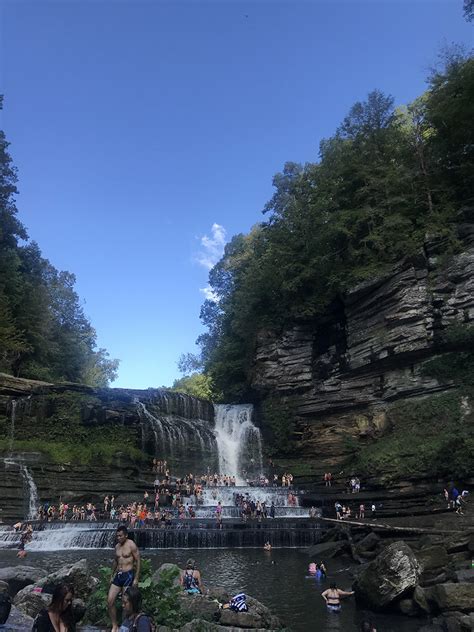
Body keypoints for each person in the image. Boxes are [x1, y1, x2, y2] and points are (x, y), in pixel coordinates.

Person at [108, 526, 141, 632]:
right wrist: (111, 574)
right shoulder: (117, 546)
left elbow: (138, 561)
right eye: (117, 536)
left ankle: (125, 625)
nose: (118, 538)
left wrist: (136, 578)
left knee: (126, 601)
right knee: (110, 601)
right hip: (119, 575)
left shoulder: (131, 544)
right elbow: (116, 561)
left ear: (126, 535)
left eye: (120, 536)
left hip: (128, 575)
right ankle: (114, 625)